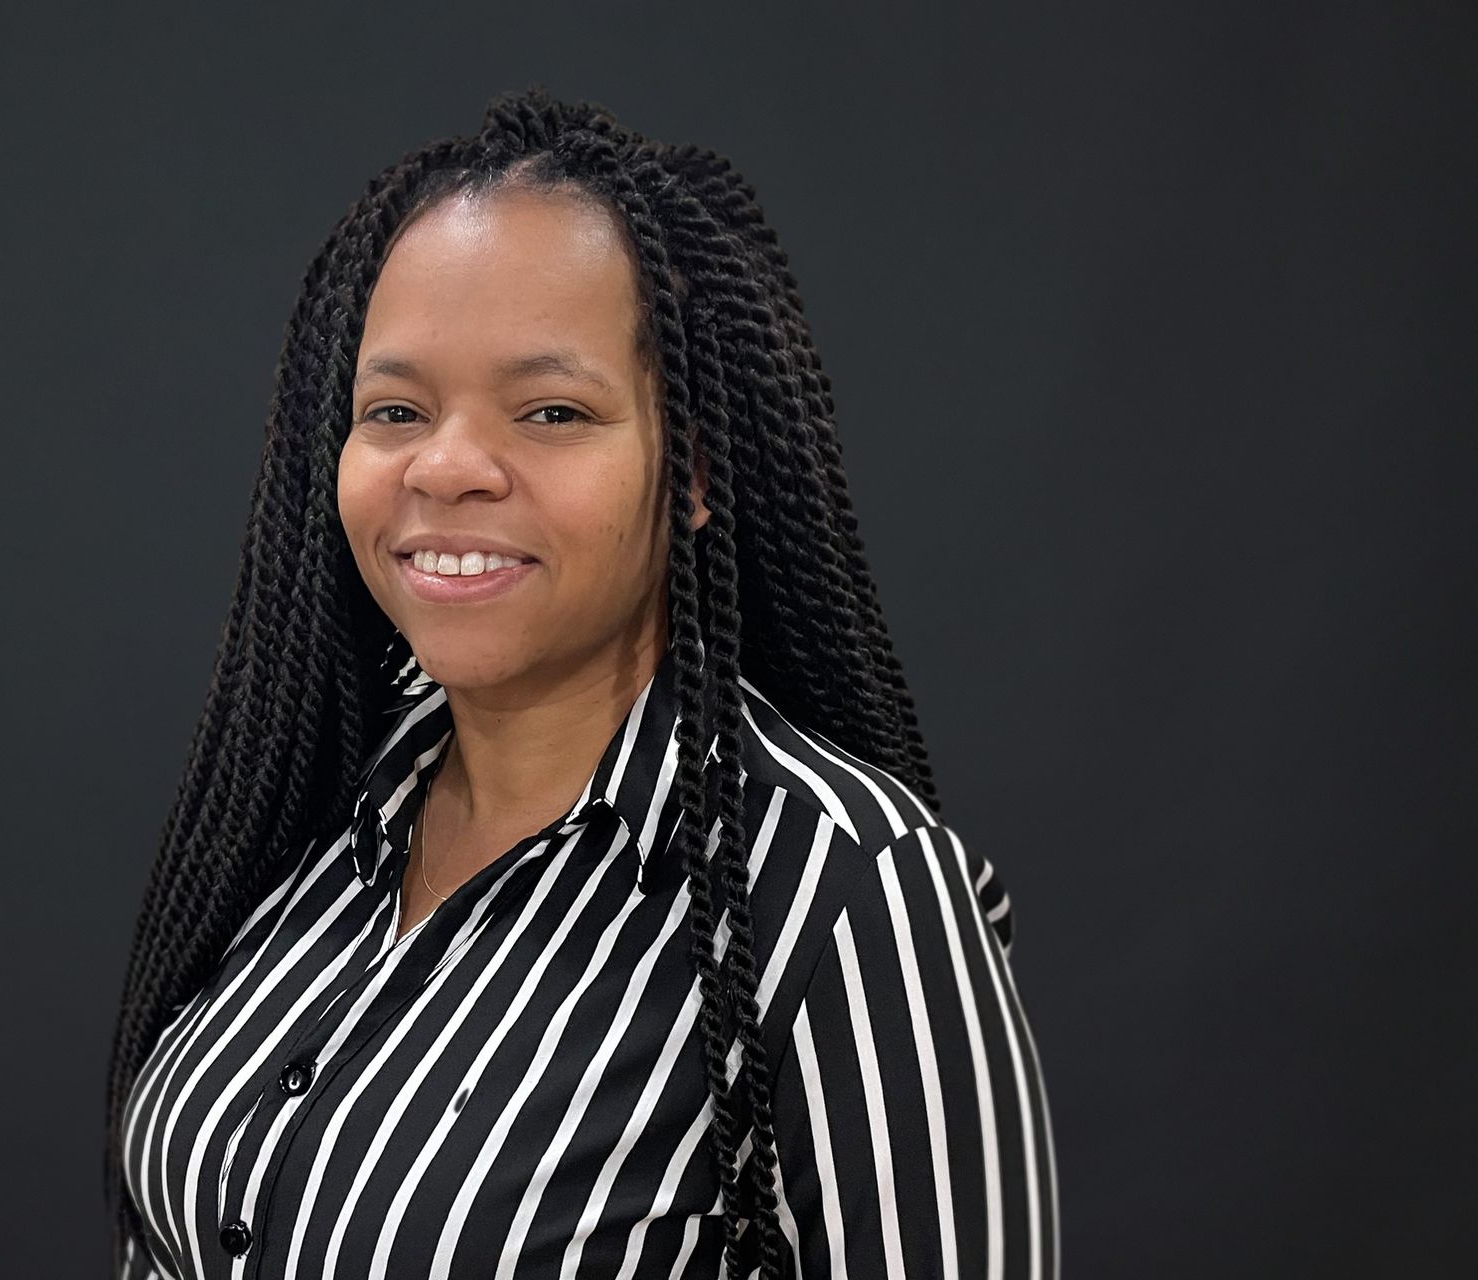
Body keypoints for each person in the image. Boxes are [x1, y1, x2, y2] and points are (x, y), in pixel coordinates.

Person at [105, 87, 1058, 1279]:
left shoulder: (851, 897)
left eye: (551, 410)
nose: (447, 464)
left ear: (698, 470)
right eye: (395, 408)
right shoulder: (317, 800)